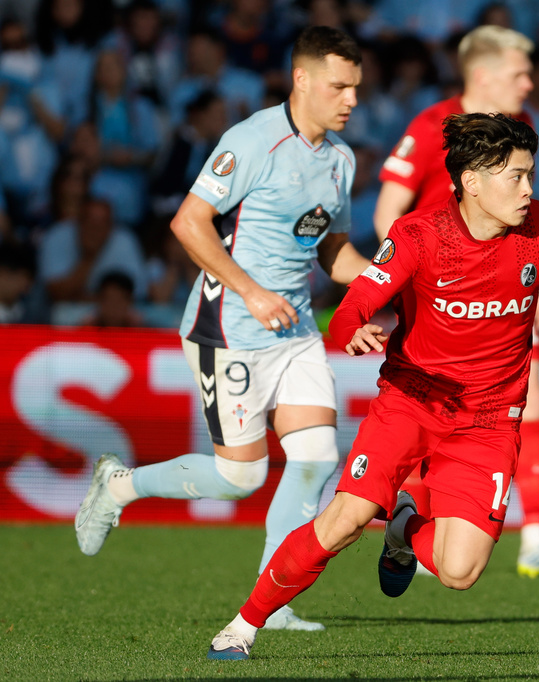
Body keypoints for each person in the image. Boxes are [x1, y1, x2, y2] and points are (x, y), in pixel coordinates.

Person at [207, 112, 539, 660]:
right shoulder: (420, 235)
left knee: (460, 573)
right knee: (345, 521)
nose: (529, 189)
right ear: (472, 182)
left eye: (531, 174)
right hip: (411, 402)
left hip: (490, 418)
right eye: (516, 176)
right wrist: (354, 330)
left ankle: (404, 525)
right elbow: (352, 309)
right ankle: (241, 627)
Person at [74, 26, 370, 632]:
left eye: (357, 88)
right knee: (242, 476)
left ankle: (274, 600)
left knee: (315, 457)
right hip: (227, 327)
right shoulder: (252, 140)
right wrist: (252, 291)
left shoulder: (341, 159)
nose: (351, 101)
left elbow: (331, 248)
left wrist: (385, 286)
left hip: (293, 331)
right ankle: (119, 484)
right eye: (339, 86)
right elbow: (189, 223)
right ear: (303, 79)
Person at [375, 25, 539, 577]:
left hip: (500, 291)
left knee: (527, 398)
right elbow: (386, 210)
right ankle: (420, 525)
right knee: (430, 408)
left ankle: (533, 535)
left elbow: (524, 218)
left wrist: (528, 281)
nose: (529, 83)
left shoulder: (521, 131)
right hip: (438, 298)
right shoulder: (430, 126)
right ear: (483, 76)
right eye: (519, 73)